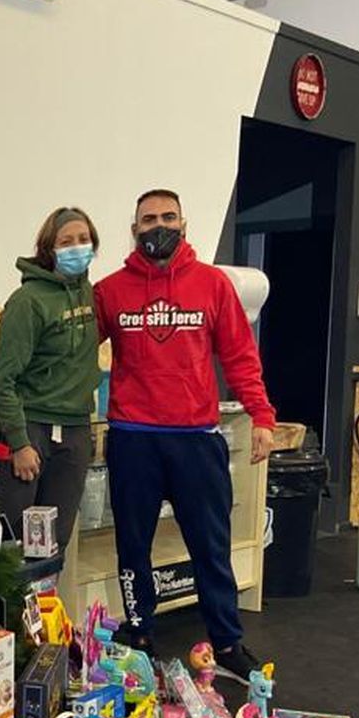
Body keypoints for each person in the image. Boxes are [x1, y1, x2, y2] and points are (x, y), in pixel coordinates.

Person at [93, 189, 275, 681]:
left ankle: (227, 642)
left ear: (184, 223)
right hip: (133, 438)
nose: (158, 226)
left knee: (210, 545)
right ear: (133, 230)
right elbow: (74, 352)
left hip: (196, 437)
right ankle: (139, 631)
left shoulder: (213, 285)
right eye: (148, 219)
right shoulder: (109, 291)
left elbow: (240, 355)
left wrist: (261, 415)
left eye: (167, 217)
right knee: (133, 546)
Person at [0, 206, 102, 556]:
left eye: (84, 240)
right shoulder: (28, 301)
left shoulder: (90, 294)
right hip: (30, 430)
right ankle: (8, 612)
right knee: (17, 543)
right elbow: (1, 380)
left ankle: (47, 610)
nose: (76, 247)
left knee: (57, 541)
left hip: (75, 431)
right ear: (49, 248)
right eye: (66, 241)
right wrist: (20, 444)